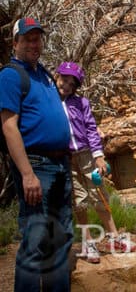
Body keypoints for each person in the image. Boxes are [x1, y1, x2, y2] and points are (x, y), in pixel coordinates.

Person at [0, 18, 73, 292]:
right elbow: (9, 127)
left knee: (60, 239)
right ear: (15, 42)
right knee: (36, 239)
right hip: (37, 166)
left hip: (59, 165)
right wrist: (27, 174)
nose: (34, 43)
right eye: (28, 38)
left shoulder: (43, 74)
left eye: (37, 38)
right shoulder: (10, 75)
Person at [55, 61, 136, 263]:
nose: (65, 85)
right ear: (57, 77)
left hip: (86, 155)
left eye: (71, 83)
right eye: (63, 79)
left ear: (76, 87)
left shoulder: (81, 103)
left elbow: (91, 129)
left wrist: (98, 155)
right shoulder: (51, 103)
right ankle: (88, 242)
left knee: (98, 195)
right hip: (66, 157)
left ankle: (114, 237)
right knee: (79, 201)